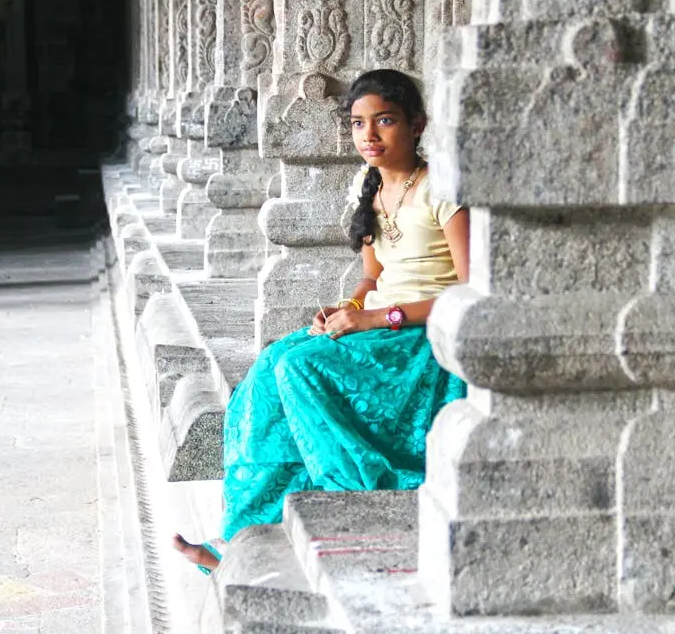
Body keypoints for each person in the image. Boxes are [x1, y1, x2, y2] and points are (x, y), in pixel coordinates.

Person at [172, 69, 470, 572]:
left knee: (301, 370)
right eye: (357, 124)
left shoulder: (441, 189)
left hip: (420, 339)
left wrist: (379, 317)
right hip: (377, 324)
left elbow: (469, 293)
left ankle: (350, 494)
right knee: (271, 367)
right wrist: (349, 308)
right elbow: (371, 278)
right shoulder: (368, 185)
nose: (369, 136)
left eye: (385, 121)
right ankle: (239, 537)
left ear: (417, 125)